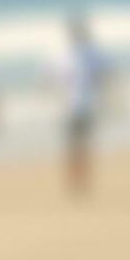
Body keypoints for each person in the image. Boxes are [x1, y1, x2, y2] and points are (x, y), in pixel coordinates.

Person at [51, 10, 115, 198]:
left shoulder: (92, 54)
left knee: (83, 144)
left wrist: (108, 96)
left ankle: (82, 179)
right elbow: (53, 80)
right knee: (72, 144)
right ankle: (73, 179)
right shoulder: (63, 55)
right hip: (68, 107)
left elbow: (107, 75)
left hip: (87, 105)